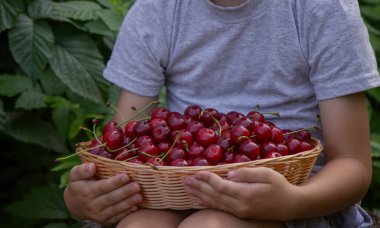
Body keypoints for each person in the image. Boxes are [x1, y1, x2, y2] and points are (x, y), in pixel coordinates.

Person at [63, 0, 380, 227]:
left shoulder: (323, 10)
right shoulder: (156, 11)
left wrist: (292, 202)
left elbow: (352, 166)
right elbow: (126, 149)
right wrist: (85, 199)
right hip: (179, 194)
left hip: (298, 199)